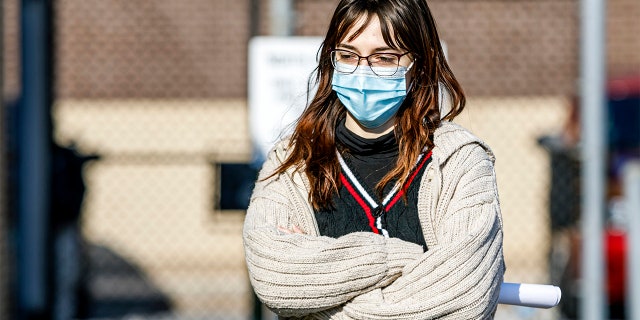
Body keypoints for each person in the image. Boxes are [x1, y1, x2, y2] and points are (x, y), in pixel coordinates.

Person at [243, 0, 505, 318]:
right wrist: (398, 259)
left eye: (384, 58)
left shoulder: (458, 162)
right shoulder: (293, 160)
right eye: (348, 55)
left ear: (419, 65)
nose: (363, 71)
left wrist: (322, 302)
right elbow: (275, 277)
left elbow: (464, 300)